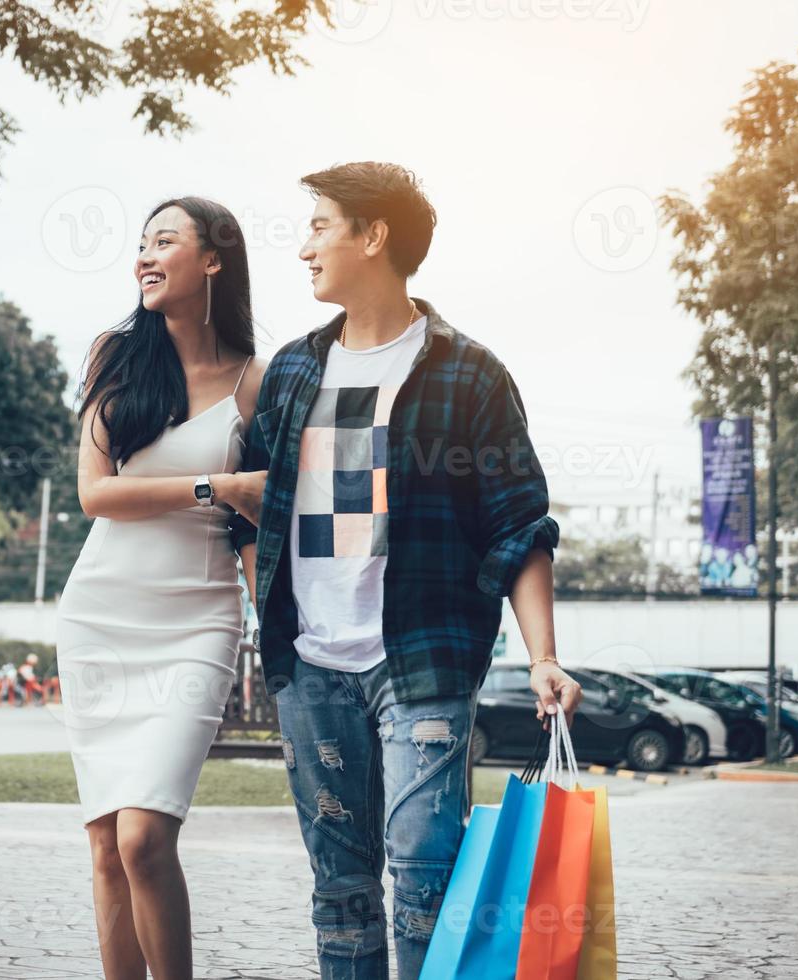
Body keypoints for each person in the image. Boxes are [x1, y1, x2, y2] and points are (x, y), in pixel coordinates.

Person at [227, 162, 583, 979]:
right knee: (342, 892)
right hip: (310, 667)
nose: (305, 246)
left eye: (320, 225)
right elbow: (248, 509)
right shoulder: (291, 373)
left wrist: (543, 657)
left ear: (373, 235)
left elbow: (520, 524)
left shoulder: (468, 372)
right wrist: (268, 612)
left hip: (421, 660)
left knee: (427, 878)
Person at [55, 195, 268, 980]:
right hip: (101, 613)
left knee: (147, 836)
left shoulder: (255, 379)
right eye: (141, 243)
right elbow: (96, 495)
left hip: (199, 620)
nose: (145, 256)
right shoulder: (116, 354)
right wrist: (217, 486)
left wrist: (273, 626)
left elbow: (260, 517)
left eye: (165, 241)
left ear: (213, 260)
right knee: (107, 846)